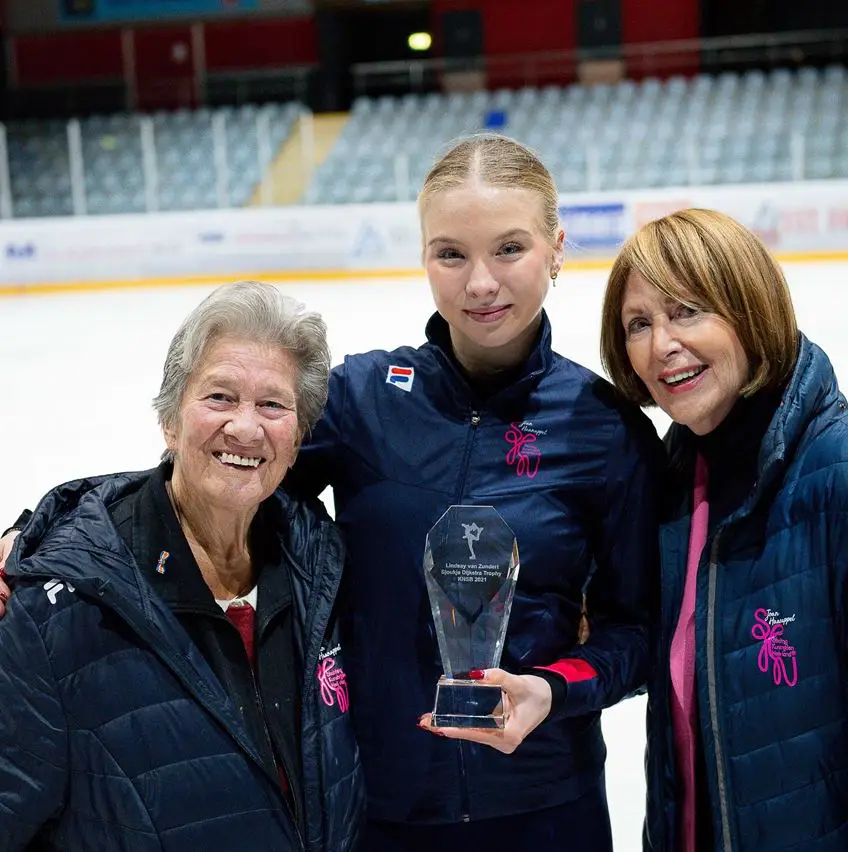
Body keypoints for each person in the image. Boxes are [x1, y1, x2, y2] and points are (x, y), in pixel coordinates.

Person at [0, 135, 661, 851]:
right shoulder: (364, 399)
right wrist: (35, 537)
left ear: (556, 249)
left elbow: (636, 633)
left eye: (509, 249)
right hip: (378, 809)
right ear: (423, 256)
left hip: (549, 810)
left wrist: (553, 690)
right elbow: (202, 480)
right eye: (451, 253)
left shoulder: (603, 429)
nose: (480, 283)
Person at [0, 282, 364, 851]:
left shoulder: (322, 571)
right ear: (169, 420)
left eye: (273, 405)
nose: (245, 428)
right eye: (220, 397)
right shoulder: (59, 612)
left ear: (297, 441)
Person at [599, 208, 848, 851]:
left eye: (687, 311)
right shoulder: (673, 479)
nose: (661, 345)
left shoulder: (835, 472)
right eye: (638, 324)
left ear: (748, 307)